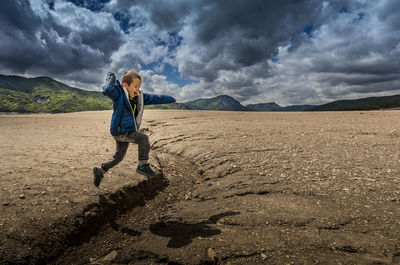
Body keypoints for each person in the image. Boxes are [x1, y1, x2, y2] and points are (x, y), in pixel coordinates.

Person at [93, 71, 176, 187]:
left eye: (139, 86)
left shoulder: (139, 97)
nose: (137, 89)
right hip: (121, 131)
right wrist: (110, 77)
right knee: (143, 138)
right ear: (126, 86)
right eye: (135, 86)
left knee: (119, 156)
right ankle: (142, 165)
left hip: (126, 132)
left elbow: (155, 98)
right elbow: (107, 90)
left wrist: (170, 99)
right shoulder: (119, 94)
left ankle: (100, 170)